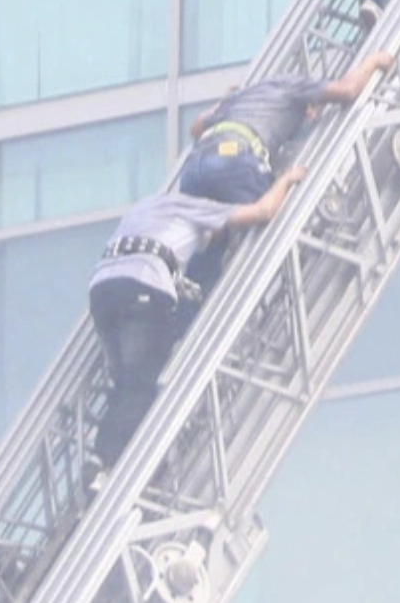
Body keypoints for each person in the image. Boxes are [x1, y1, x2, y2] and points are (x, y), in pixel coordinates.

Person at [85, 163, 302, 468]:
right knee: (141, 383)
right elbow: (262, 212)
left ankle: (98, 460)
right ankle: (111, 462)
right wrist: (288, 179)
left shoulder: (145, 206)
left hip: (103, 290)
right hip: (144, 287)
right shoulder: (195, 206)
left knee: (124, 383)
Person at [176, 46, 398, 206]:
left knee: (213, 238)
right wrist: (373, 61)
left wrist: (224, 101)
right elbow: (347, 90)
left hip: (196, 164)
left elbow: (196, 128)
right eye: (315, 111)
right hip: (235, 155)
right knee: (271, 212)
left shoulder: (243, 97)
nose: (313, 118)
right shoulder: (295, 87)